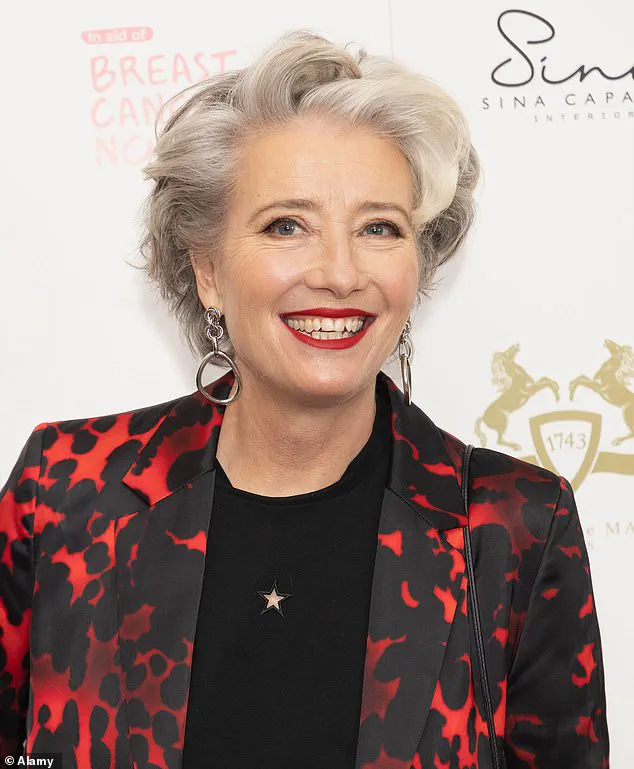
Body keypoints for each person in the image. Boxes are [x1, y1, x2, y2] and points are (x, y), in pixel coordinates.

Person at [0, 28, 608, 769]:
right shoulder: (65, 491)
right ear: (208, 269)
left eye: (379, 228)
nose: (340, 273)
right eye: (287, 225)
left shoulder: (512, 525)